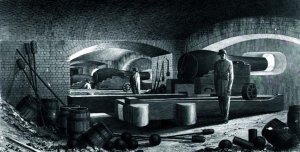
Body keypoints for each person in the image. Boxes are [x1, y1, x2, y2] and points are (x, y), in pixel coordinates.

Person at [214, 49, 234, 123]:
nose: (222, 55)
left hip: (226, 83)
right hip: (219, 83)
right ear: (219, 55)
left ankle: (225, 118)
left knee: (226, 102)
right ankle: (222, 116)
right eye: (220, 54)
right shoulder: (217, 63)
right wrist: (216, 87)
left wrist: (229, 87)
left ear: (225, 54)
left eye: (223, 54)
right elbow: (215, 76)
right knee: (220, 102)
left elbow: (231, 76)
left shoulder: (229, 63)